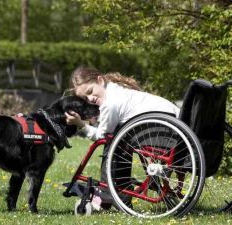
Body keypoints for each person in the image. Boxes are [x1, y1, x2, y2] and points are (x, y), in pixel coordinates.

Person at [64, 66, 180, 209]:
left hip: (163, 131)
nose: (90, 99)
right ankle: (119, 193)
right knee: (118, 136)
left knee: (111, 139)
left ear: (100, 81)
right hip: (172, 126)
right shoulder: (116, 90)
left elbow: (101, 136)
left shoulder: (110, 103)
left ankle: (109, 192)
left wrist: (81, 124)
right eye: (84, 98)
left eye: (90, 92)